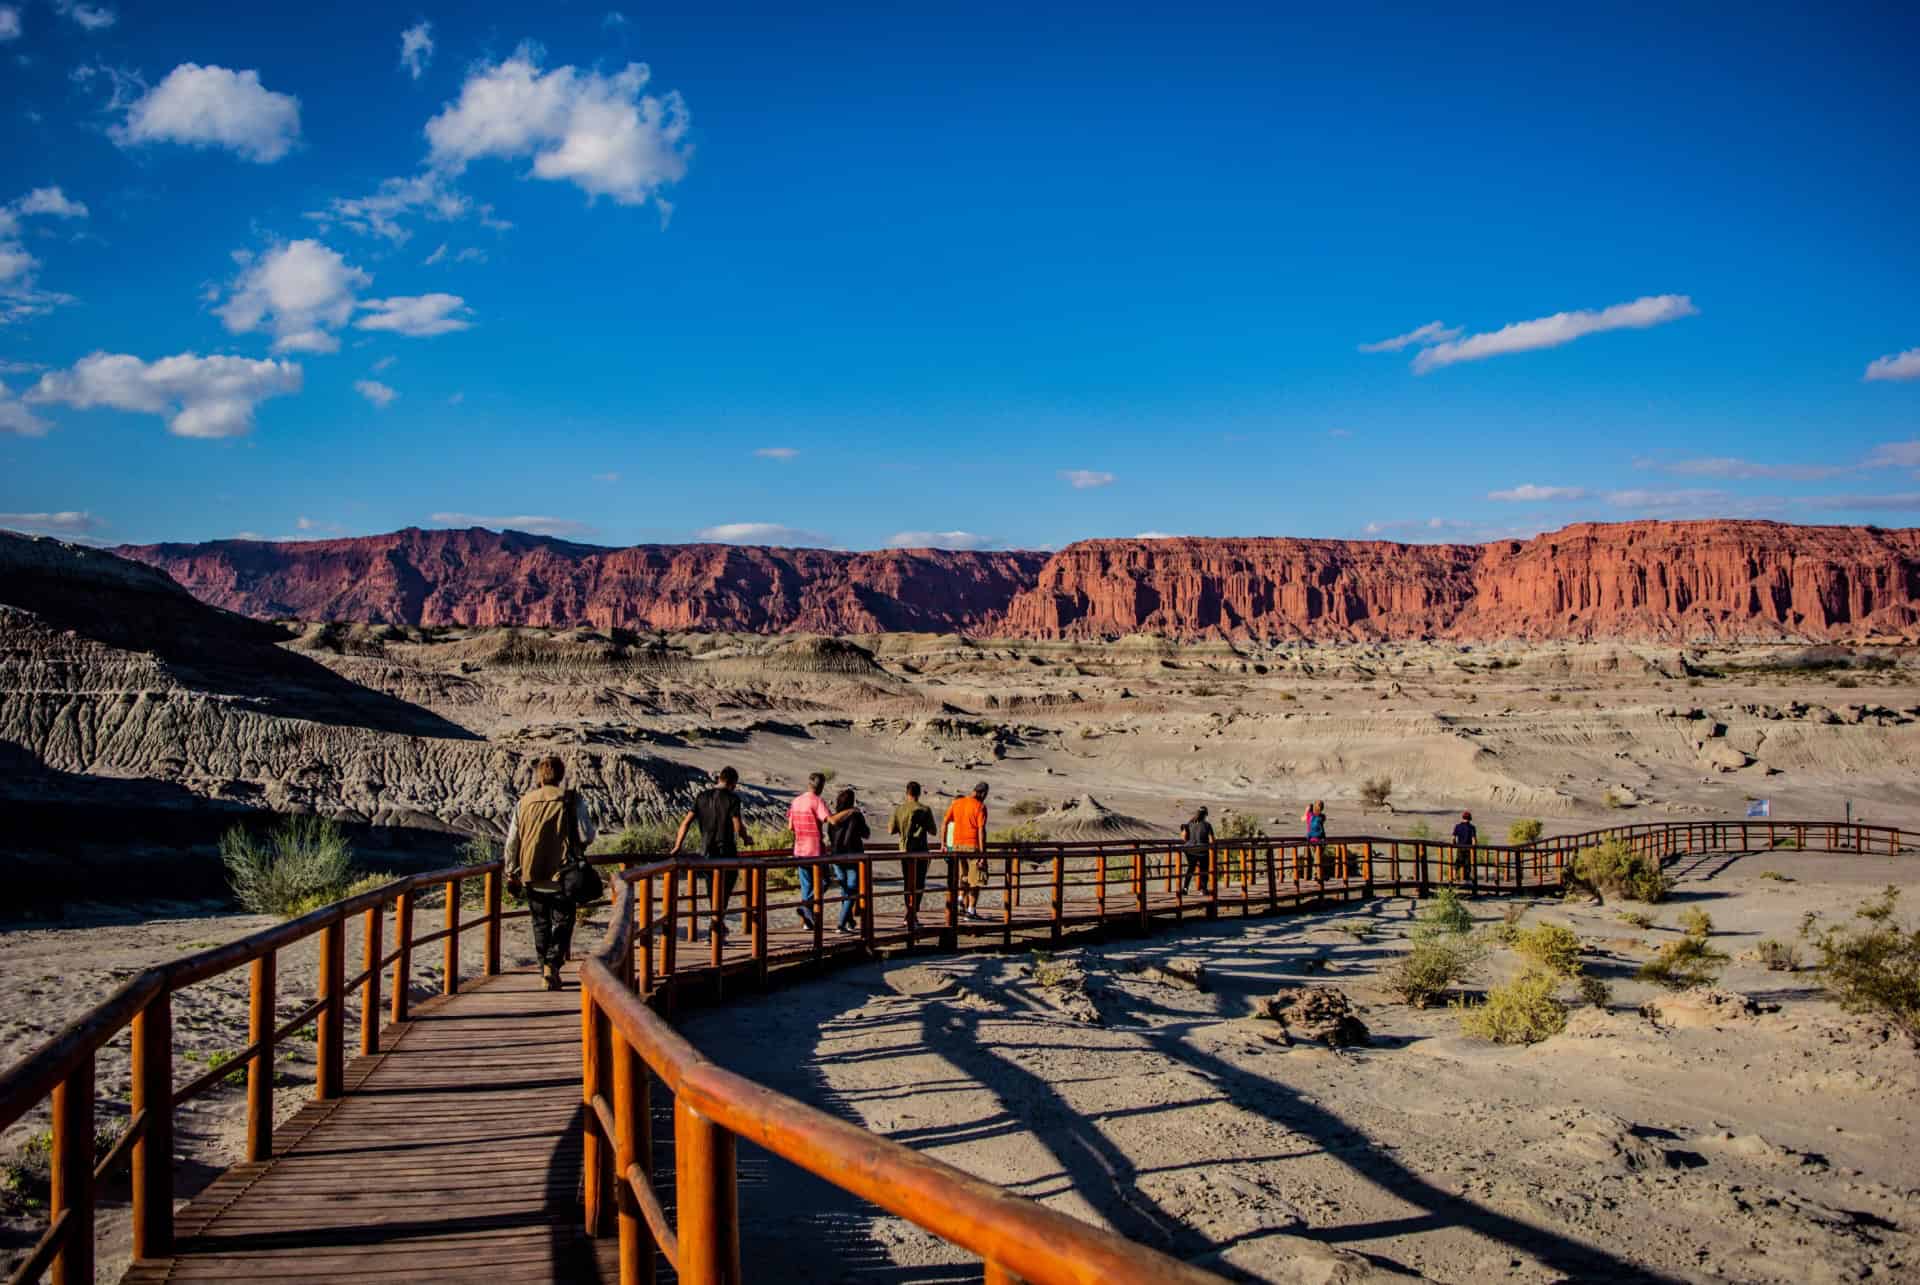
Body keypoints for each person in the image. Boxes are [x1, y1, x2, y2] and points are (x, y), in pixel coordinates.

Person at [503, 755, 597, 991]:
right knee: (564, 920)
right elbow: (587, 835)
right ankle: (552, 965)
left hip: (531, 873)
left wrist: (510, 872)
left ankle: (544, 969)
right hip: (563, 873)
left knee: (540, 923)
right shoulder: (571, 800)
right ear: (561, 774)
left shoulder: (523, 802)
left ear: (539, 777)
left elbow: (512, 841)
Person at [670, 765, 751, 940]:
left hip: (706, 852)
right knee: (725, 891)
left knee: (712, 890)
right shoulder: (733, 799)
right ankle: (716, 931)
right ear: (732, 783)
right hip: (727, 852)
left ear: (719, 779)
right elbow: (737, 826)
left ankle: (716, 930)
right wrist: (746, 838)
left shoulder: (701, 797)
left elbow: (686, 823)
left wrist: (678, 846)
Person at [788, 773, 857, 930]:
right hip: (815, 850)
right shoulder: (817, 801)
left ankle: (807, 921)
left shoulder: (796, 801)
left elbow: (790, 827)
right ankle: (806, 907)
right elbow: (831, 820)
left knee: (806, 885)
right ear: (821, 786)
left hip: (799, 849)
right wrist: (850, 811)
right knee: (824, 881)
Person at [889, 781, 937, 919]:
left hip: (905, 850)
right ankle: (914, 912)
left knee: (907, 882)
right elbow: (933, 831)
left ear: (907, 792)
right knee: (919, 882)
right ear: (919, 793)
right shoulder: (925, 810)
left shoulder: (899, 809)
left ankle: (908, 911)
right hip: (921, 851)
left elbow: (891, 829)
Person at [944, 782, 991, 920]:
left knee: (964, 875)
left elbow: (945, 822)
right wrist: (983, 854)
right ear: (983, 793)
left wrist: (943, 843)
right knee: (976, 878)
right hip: (973, 846)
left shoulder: (957, 803)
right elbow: (981, 831)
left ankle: (960, 899)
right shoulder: (980, 806)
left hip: (958, 846)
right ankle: (971, 911)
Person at [827, 787, 870, 935]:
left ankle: (849, 920)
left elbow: (830, 837)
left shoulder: (833, 818)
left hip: (836, 857)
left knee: (845, 889)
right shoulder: (856, 816)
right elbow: (866, 834)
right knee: (852, 890)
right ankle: (841, 924)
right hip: (853, 857)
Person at [1179, 806, 1214, 895]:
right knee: (1204, 869)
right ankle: (1203, 889)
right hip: (1202, 850)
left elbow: (1183, 838)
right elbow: (1212, 840)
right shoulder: (1207, 825)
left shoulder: (1189, 823)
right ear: (1205, 815)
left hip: (1189, 850)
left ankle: (1185, 888)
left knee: (1191, 868)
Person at [1452, 810, 1477, 881]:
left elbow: (1453, 838)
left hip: (1459, 847)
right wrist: (1475, 847)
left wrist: (1454, 845)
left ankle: (1454, 876)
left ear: (1462, 818)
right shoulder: (1472, 827)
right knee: (1467, 863)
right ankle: (1467, 878)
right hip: (1468, 848)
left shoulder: (1457, 826)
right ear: (1470, 819)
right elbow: (1474, 839)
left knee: (1458, 862)